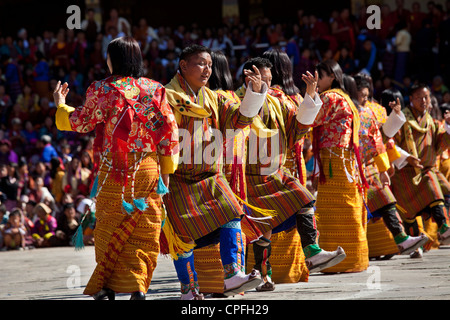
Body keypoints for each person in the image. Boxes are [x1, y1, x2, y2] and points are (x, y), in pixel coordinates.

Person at [53, 36, 179, 300]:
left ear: (112, 60)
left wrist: (61, 106)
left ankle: (108, 285)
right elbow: (168, 131)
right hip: (148, 168)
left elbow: (81, 122)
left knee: (108, 226)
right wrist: (166, 173)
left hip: (115, 168)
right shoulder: (154, 89)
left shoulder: (102, 89)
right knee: (144, 227)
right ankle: (138, 287)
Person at [162, 44, 267, 300]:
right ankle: (189, 289)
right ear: (183, 66)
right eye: (200, 63)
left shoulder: (214, 98)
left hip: (210, 175)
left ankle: (233, 275)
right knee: (182, 236)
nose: (207, 69)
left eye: (209, 64)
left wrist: (254, 94)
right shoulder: (165, 97)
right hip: (176, 179)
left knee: (233, 212)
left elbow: (239, 120)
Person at [235, 52, 346, 291]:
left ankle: (312, 251)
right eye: (261, 79)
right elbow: (239, 122)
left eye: (268, 78)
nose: (267, 84)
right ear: (247, 79)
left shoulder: (277, 100)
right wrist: (255, 95)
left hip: (275, 170)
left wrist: (310, 97)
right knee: (262, 230)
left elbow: (297, 129)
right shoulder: (235, 101)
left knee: (304, 198)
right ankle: (265, 276)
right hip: (247, 174)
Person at [350, 74, 429, 256]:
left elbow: (381, 140)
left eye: (366, 95)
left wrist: (384, 167)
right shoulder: (347, 110)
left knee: (386, 199)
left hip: (370, 165)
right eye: (362, 95)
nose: (364, 99)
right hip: (348, 166)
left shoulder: (372, 111)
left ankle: (401, 239)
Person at [308, 59, 370, 273]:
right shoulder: (347, 99)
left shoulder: (330, 97)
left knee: (333, 208)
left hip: (334, 160)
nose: (316, 79)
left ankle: (339, 260)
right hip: (346, 159)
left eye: (319, 75)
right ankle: (353, 259)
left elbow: (309, 120)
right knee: (348, 205)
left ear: (331, 76)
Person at [389, 83, 450, 247]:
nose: (423, 101)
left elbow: (440, 145)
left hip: (426, 170)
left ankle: (444, 226)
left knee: (436, 191)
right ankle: (416, 244)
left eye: (426, 97)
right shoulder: (402, 118)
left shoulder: (432, 122)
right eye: (419, 97)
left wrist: (449, 127)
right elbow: (390, 143)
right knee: (407, 212)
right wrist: (407, 157)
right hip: (404, 172)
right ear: (411, 99)